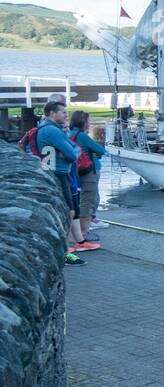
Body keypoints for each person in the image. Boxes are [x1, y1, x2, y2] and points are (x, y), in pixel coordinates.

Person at [33, 100, 98, 264]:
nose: (66, 115)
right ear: (52, 113)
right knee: (67, 211)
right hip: (58, 174)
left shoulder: (55, 130)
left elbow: (74, 149)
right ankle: (65, 250)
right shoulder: (51, 131)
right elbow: (73, 152)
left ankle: (80, 242)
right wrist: (69, 152)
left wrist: (70, 151)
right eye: (63, 112)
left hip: (65, 172)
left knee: (74, 209)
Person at [69, 111, 107, 243]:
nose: (89, 123)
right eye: (88, 121)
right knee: (89, 199)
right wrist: (95, 152)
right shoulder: (81, 136)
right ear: (82, 122)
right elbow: (101, 150)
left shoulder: (70, 134)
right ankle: (84, 231)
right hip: (89, 170)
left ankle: (85, 227)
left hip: (78, 170)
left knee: (85, 198)